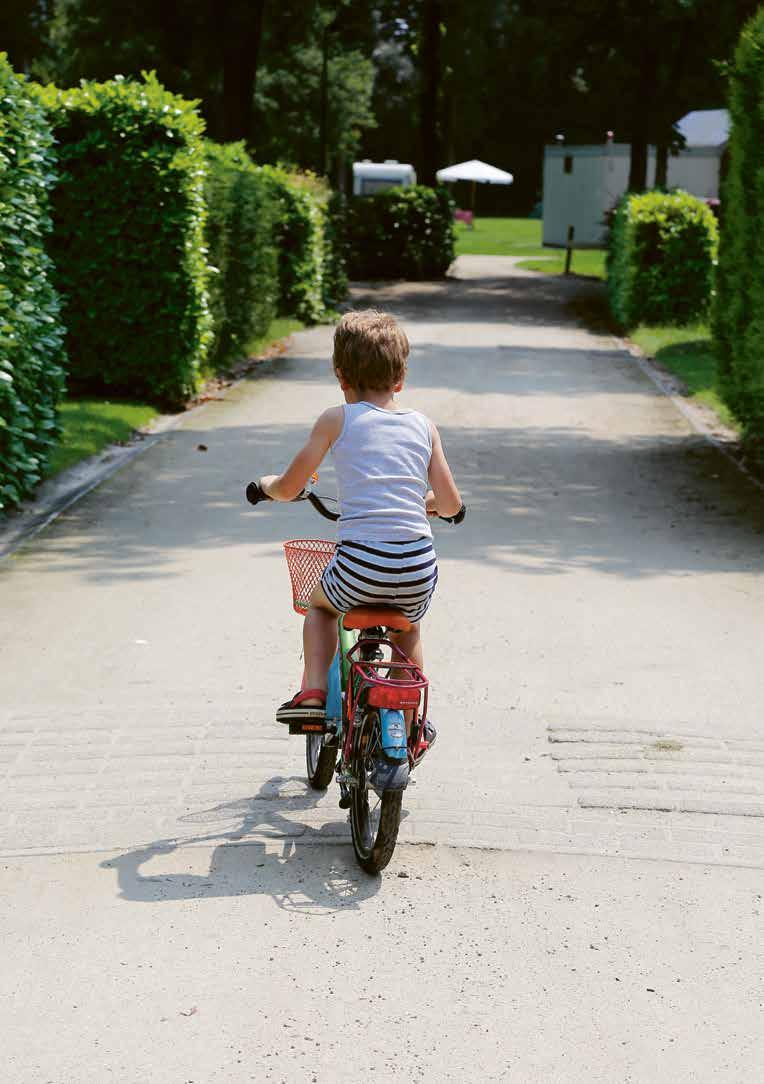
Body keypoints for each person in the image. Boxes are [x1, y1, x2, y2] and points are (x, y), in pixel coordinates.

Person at [258, 309, 463, 728]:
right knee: (409, 629)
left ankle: (314, 691)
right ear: (401, 378)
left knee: (320, 608)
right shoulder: (424, 426)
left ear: (341, 376)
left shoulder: (336, 419)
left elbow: (291, 486)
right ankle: (409, 723)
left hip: (359, 566)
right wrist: (426, 504)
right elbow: (450, 504)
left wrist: (267, 486)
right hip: (416, 569)